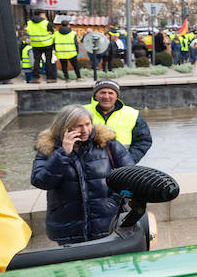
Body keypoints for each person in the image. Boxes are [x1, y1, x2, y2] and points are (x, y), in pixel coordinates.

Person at [30, 104, 136, 244]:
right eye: (79, 126)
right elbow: (40, 181)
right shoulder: (49, 147)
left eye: (88, 124)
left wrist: (112, 201)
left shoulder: (106, 143)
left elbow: (131, 176)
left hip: (107, 222)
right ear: (65, 127)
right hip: (68, 226)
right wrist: (62, 154)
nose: (85, 130)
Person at [87, 79, 152, 163]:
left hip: (121, 167)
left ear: (116, 96)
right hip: (89, 167)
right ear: (95, 95)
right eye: (102, 92)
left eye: (110, 93)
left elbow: (144, 140)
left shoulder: (132, 114)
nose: (106, 97)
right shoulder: (82, 112)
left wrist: (129, 160)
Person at [23, 10, 55, 82]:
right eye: (43, 14)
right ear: (40, 15)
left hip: (35, 44)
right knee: (48, 61)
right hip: (47, 44)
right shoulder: (46, 23)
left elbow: (27, 32)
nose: (45, 16)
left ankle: (36, 78)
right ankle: (49, 78)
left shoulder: (29, 23)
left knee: (36, 61)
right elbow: (52, 32)